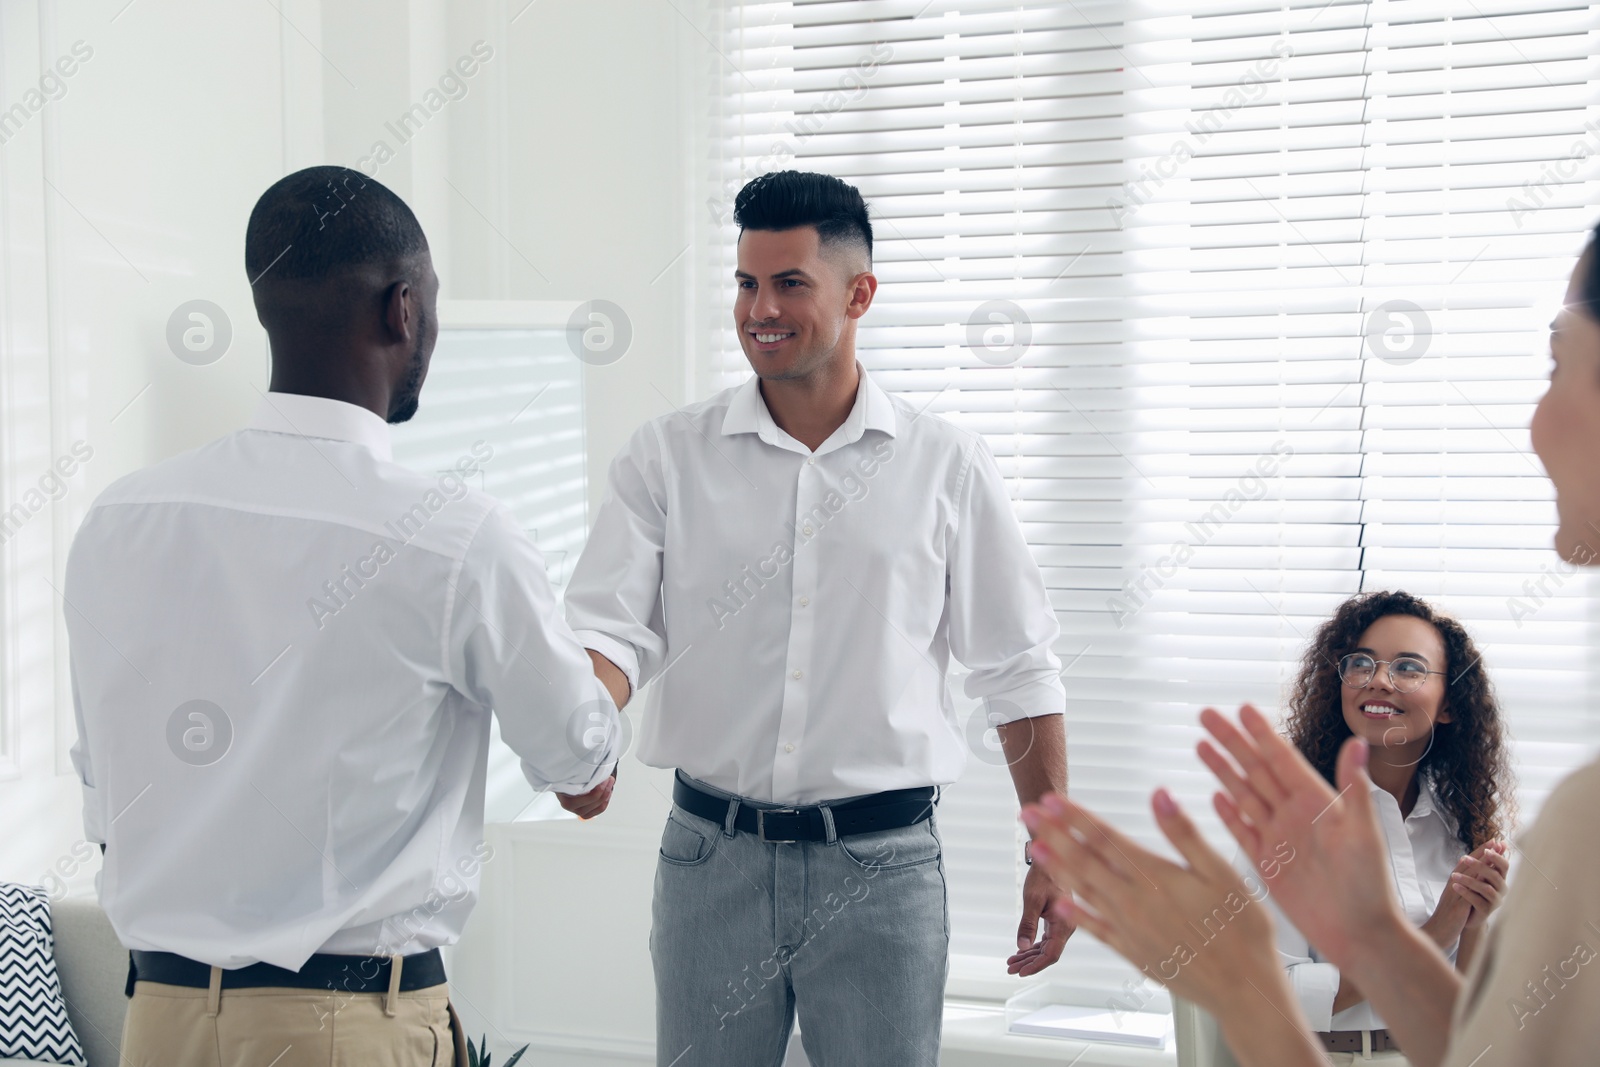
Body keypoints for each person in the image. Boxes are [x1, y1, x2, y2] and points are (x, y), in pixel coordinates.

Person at [63, 166, 624, 1066]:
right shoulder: (456, 540)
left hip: (159, 1026)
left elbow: (108, 806)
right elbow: (584, 773)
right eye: (432, 302)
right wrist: (605, 653)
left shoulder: (117, 522)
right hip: (344, 1033)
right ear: (404, 309)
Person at [1020, 224, 1600, 1066]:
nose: (1535, 424)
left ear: (1450, 700)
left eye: (1557, 365)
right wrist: (1373, 935)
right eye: (1361, 661)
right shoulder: (1302, 817)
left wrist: (1242, 980)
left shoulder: (1544, 826)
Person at [563, 170, 1071, 1066]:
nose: (760, 307)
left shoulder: (946, 464)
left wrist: (1054, 846)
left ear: (859, 293)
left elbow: (1017, 668)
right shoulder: (667, 457)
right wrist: (584, 733)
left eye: (790, 282)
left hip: (883, 869)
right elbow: (611, 631)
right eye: (746, 283)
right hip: (708, 861)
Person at [1255, 590, 1514, 1062]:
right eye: (1361, 664)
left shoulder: (1461, 827)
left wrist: (1474, 924)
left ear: (1449, 704)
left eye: (1408, 668)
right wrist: (1436, 933)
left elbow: (1468, 1004)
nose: (1377, 681)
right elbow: (1272, 999)